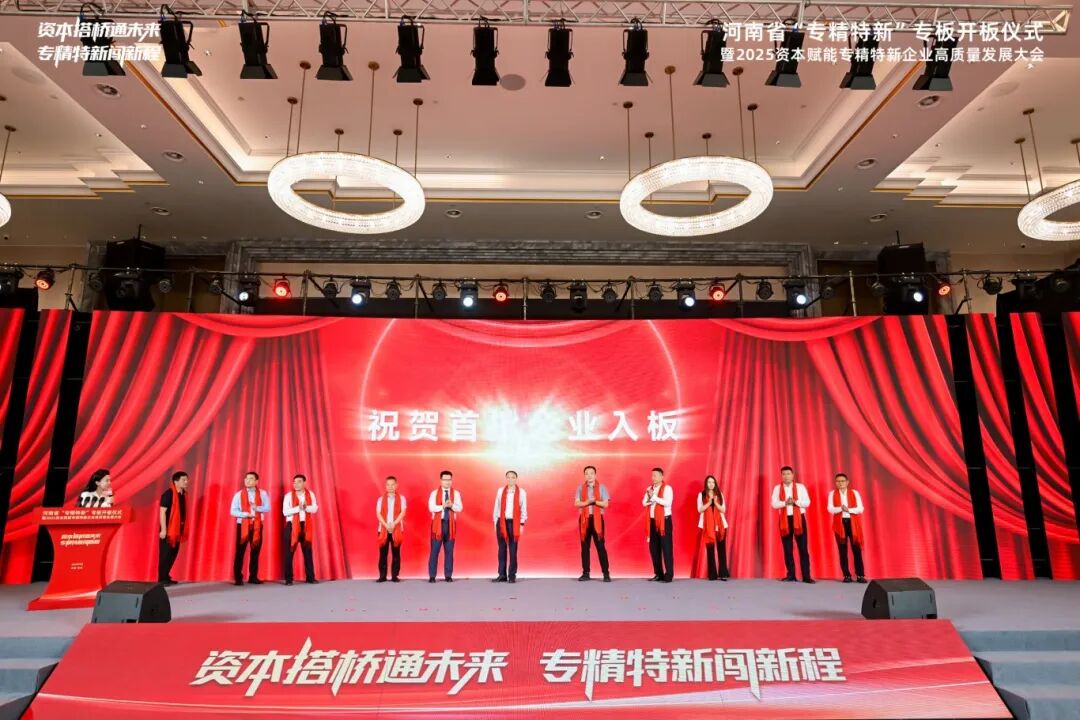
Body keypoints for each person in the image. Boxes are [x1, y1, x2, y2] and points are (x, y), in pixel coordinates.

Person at [771, 465, 814, 583]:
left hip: (799, 519)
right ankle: (791, 575)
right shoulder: (777, 488)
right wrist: (785, 503)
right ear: (781, 476)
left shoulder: (800, 487)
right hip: (784, 520)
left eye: (788, 474)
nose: (786, 476)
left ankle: (806, 576)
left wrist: (795, 502)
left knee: (803, 548)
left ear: (793, 475)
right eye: (784, 474)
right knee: (787, 549)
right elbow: (774, 504)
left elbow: (807, 502)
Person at [230, 471, 270, 586]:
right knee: (240, 552)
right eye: (246, 478)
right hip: (243, 525)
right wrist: (245, 514)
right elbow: (233, 511)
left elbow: (267, 507)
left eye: (251, 478)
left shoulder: (263, 493)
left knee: (255, 552)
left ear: (256, 481)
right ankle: (238, 578)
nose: (248, 480)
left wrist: (257, 508)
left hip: (257, 525)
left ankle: (253, 577)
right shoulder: (238, 494)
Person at [827, 473, 866, 583]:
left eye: (842, 481)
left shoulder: (854, 493)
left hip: (853, 523)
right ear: (835, 483)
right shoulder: (832, 494)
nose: (840, 483)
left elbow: (860, 509)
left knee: (856, 550)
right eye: (838, 481)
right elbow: (830, 508)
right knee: (842, 550)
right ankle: (846, 575)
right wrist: (841, 508)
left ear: (847, 482)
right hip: (839, 524)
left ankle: (860, 575)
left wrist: (848, 510)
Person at [575, 465, 611, 582]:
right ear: (584, 475)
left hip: (597, 519)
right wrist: (587, 502)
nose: (589, 475)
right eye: (587, 473)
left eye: (591, 473)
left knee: (600, 546)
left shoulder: (602, 488)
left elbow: (605, 504)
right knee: (585, 547)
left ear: (595, 475)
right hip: (584, 520)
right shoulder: (580, 488)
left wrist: (594, 501)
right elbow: (577, 504)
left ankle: (606, 573)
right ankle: (586, 573)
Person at [283, 474, 318, 586]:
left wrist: (306, 507)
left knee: (308, 552)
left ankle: (310, 577)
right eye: (294, 482)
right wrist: (299, 508)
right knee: (289, 553)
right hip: (292, 526)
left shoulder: (310, 494)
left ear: (304, 483)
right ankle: (289, 579)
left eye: (299, 482)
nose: (296, 484)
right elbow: (285, 512)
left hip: (305, 525)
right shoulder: (288, 496)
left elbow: (315, 508)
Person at [492, 470, 527, 583]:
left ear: (516, 479)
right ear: (506, 478)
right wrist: (495, 522)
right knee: (501, 549)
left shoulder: (521, 492)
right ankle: (502, 574)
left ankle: (512, 575)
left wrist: (522, 524)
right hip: (501, 522)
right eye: (508, 477)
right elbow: (496, 507)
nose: (510, 479)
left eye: (513, 477)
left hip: (514, 523)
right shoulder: (500, 491)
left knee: (513, 549)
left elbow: (523, 509)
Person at [427, 470, 462, 583]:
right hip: (437, 524)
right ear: (441, 480)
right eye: (445, 479)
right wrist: (443, 506)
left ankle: (448, 575)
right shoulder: (434, 493)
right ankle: (432, 576)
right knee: (434, 551)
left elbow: (459, 508)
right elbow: (431, 508)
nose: (447, 482)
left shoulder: (455, 493)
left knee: (449, 551)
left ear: (451, 480)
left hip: (450, 524)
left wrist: (451, 505)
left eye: (449, 480)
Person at [642, 467, 674, 582]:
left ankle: (668, 574)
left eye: (655, 475)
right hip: (652, 521)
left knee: (666, 548)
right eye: (652, 475)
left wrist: (654, 497)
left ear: (661, 476)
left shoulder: (667, 488)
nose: (653, 478)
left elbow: (668, 503)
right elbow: (644, 502)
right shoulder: (649, 489)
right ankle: (658, 574)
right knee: (654, 549)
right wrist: (651, 498)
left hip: (664, 521)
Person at [158, 471, 189, 585]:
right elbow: (162, 512)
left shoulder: (183, 494)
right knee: (165, 555)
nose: (186, 482)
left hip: (178, 530)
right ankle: (162, 579)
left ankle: (166, 576)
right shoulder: (168, 494)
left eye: (187, 480)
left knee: (172, 554)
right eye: (183, 480)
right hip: (168, 530)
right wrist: (163, 529)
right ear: (176, 481)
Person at [697, 475, 729, 581]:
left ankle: (723, 573)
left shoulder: (719, 494)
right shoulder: (701, 495)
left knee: (721, 549)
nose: (711, 484)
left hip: (720, 525)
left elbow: (723, 509)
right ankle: (712, 574)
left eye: (713, 482)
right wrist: (709, 502)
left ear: (715, 484)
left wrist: (715, 503)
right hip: (707, 526)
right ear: (706, 483)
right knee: (710, 550)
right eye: (709, 482)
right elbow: (700, 509)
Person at [376, 476, 406, 583]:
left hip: (396, 528)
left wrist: (394, 524)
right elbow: (378, 514)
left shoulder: (402, 498)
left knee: (396, 553)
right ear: (385, 486)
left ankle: (394, 576)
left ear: (396, 485)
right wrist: (386, 525)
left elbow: (403, 512)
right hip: (383, 529)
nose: (390, 487)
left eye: (392, 484)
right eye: (388, 485)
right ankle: (382, 576)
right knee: (383, 553)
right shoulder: (380, 499)